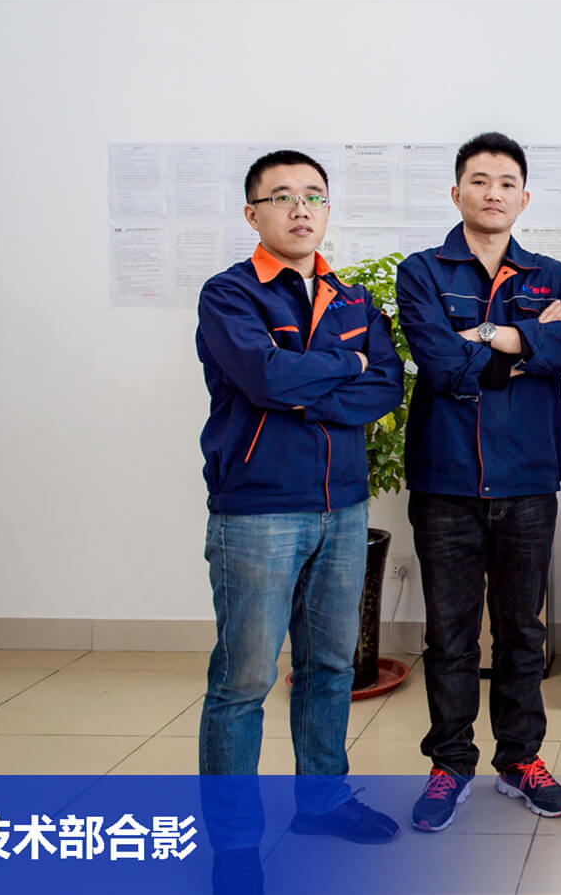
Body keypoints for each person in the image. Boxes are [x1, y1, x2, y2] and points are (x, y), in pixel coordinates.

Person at [195, 149, 404, 888]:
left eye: (313, 195)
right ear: (252, 213)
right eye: (282, 196)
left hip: (342, 507)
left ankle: (321, 801)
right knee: (243, 681)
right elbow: (262, 376)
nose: (300, 208)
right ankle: (233, 845)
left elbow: (384, 387)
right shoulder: (230, 295)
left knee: (329, 667)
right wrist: (343, 369)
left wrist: (303, 389)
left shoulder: (352, 300)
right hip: (258, 510)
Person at [394, 132, 561, 832]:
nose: (493, 193)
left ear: (524, 198)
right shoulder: (421, 271)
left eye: (507, 183)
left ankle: (520, 758)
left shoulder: (551, 275)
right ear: (457, 193)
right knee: (449, 635)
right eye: (479, 181)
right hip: (445, 479)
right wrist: (526, 341)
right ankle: (450, 764)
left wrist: (484, 335)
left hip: (527, 478)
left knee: (521, 632)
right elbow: (440, 365)